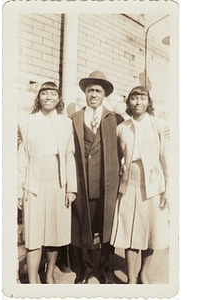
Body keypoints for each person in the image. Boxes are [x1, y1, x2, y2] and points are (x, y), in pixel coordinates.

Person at [17, 81, 77, 284]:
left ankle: (49, 274)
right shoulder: (27, 122)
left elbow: (69, 156)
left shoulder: (65, 123)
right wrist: (18, 189)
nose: (48, 97)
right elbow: (22, 155)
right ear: (39, 98)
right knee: (34, 232)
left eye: (52, 94)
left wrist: (71, 189)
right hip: (33, 183)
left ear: (58, 99)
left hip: (58, 183)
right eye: (44, 94)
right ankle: (33, 278)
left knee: (54, 231)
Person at [110, 86, 169, 284]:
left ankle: (144, 272)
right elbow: (118, 156)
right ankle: (132, 277)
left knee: (151, 231)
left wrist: (167, 188)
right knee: (130, 230)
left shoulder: (158, 125)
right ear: (129, 103)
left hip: (152, 186)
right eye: (134, 98)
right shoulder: (122, 128)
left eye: (142, 98)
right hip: (129, 185)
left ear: (148, 102)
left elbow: (166, 157)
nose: (138, 102)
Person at [70, 71, 124, 284]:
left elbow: (125, 148)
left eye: (97, 91)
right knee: (84, 224)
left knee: (106, 225)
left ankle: (104, 268)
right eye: (90, 90)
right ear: (85, 93)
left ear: (104, 95)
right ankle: (85, 268)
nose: (93, 94)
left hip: (106, 184)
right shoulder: (74, 119)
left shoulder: (116, 120)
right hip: (83, 183)